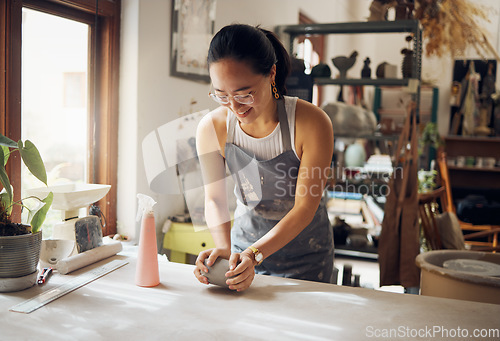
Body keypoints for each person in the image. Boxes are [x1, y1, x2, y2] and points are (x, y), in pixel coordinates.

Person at [193, 24, 334, 291]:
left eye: (244, 94)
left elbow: (305, 207)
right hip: (243, 249)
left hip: (307, 254)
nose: (234, 107)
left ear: (271, 73)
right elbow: (214, 198)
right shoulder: (213, 127)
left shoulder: (311, 123)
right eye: (221, 95)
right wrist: (224, 249)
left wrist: (255, 254)